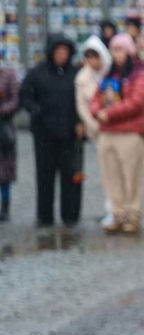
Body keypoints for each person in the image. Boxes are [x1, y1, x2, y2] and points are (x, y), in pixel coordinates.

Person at [91, 33, 144, 234]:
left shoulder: (140, 74)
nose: (117, 54)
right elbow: (96, 97)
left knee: (132, 177)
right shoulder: (109, 74)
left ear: (130, 51)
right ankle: (117, 213)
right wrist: (96, 112)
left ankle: (133, 215)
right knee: (111, 177)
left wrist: (109, 113)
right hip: (107, 132)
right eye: (115, 50)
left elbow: (137, 102)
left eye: (121, 50)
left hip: (130, 132)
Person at [21, 34, 81, 228]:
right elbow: (25, 95)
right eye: (58, 51)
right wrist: (36, 110)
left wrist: (80, 122)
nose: (62, 55)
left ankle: (70, 216)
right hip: (44, 134)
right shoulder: (37, 73)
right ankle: (45, 216)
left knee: (70, 176)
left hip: (70, 134)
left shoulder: (76, 73)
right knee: (45, 176)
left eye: (65, 51)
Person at [76, 35, 112, 227]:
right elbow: (82, 107)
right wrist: (94, 124)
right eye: (89, 57)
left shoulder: (113, 73)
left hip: (117, 126)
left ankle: (123, 208)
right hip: (98, 131)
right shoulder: (82, 79)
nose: (92, 61)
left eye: (95, 56)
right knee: (107, 172)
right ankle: (111, 208)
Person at [0, 66, 18, 223]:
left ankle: (5, 207)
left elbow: (15, 100)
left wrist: (2, 109)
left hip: (4, 129)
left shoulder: (9, 75)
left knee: (4, 173)